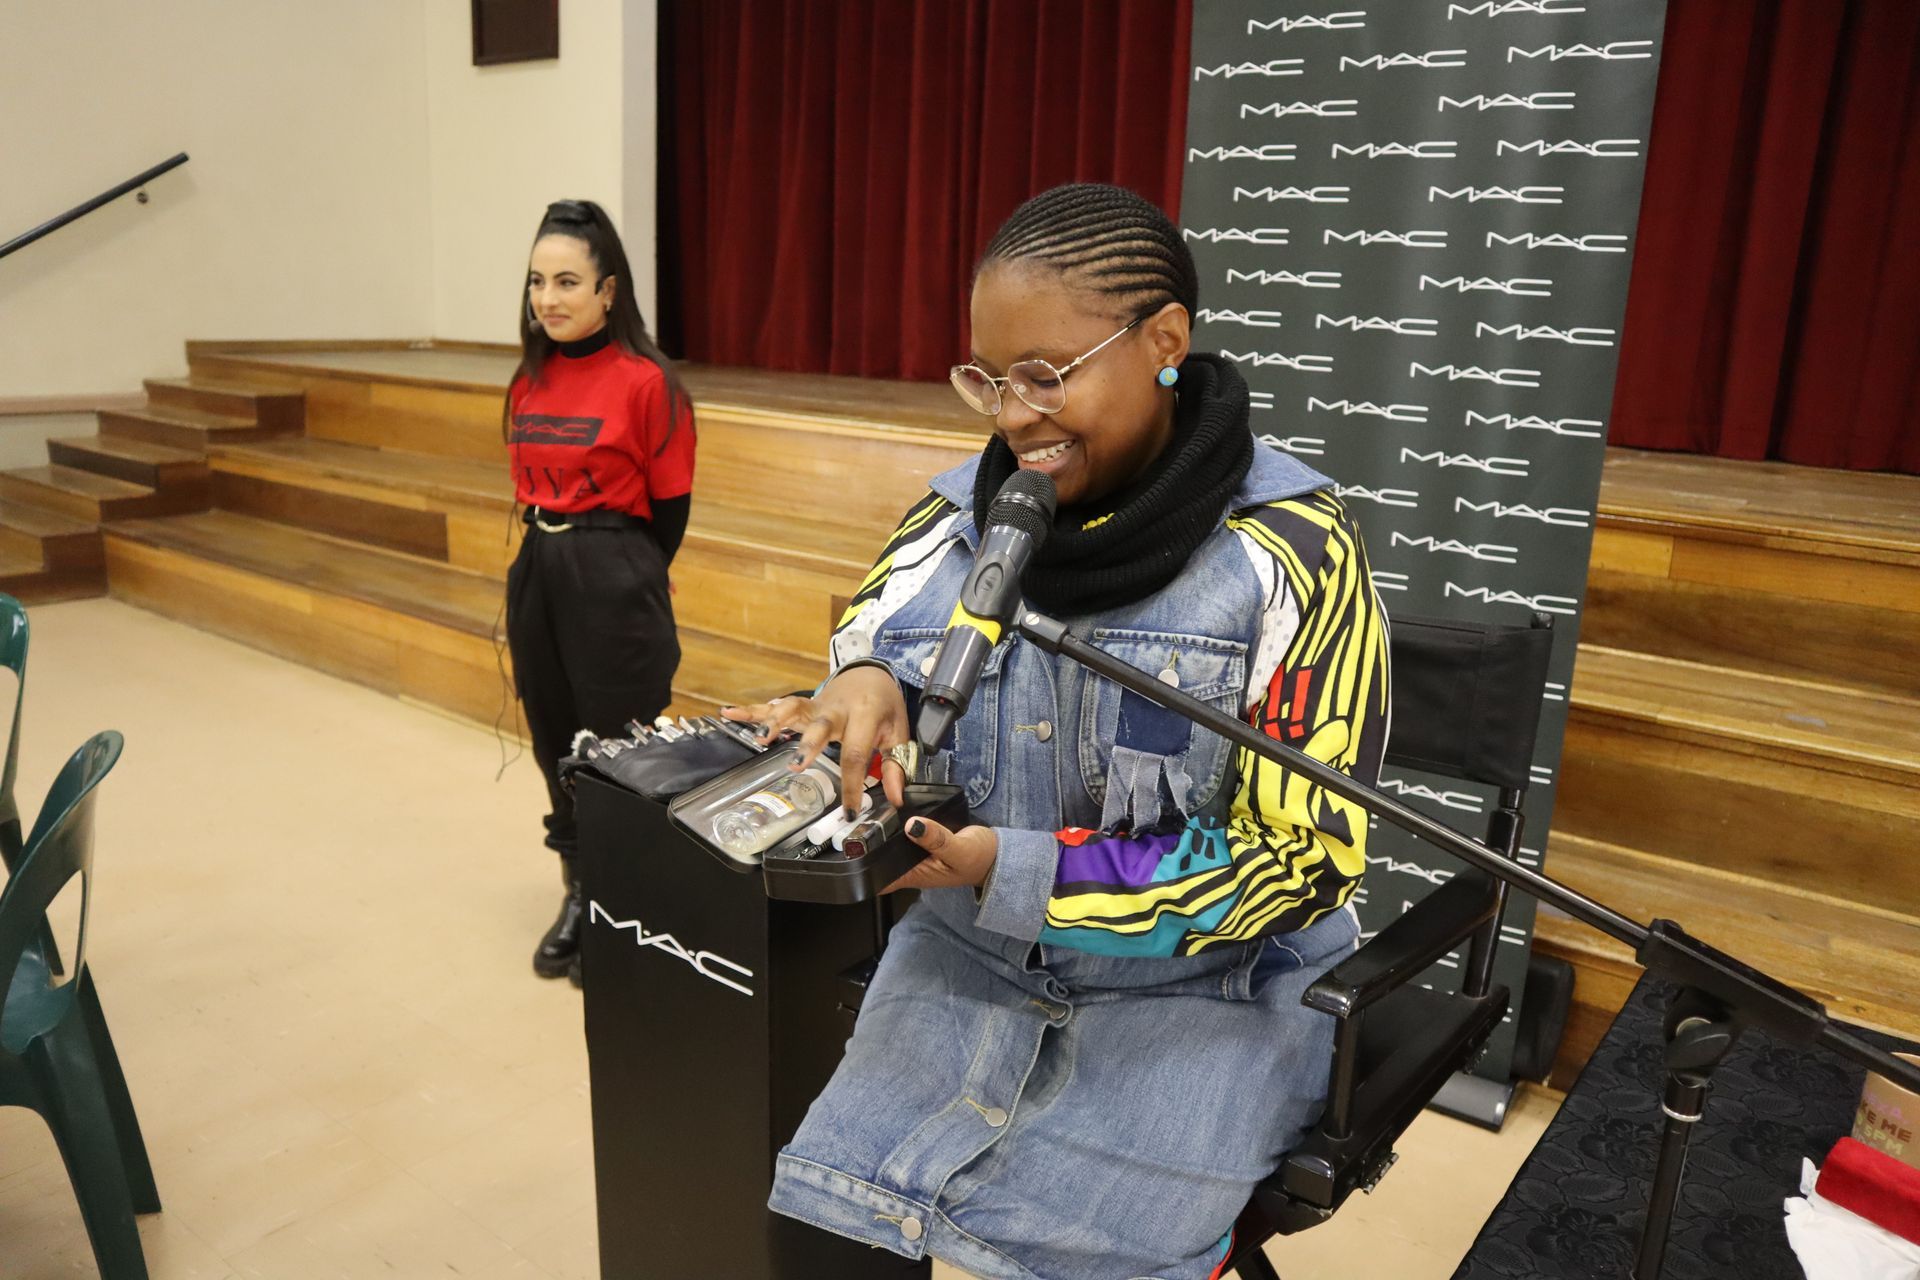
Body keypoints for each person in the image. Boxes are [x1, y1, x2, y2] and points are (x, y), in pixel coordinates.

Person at [724, 183, 1390, 1280]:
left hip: (1205, 995)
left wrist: (1016, 867)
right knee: (833, 1226)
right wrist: (862, 684)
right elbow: (868, 653)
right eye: (987, 379)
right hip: (969, 967)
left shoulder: (1295, 552)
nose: (1011, 415)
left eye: (1044, 374)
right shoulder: (949, 521)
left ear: (1164, 341)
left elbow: (1302, 858)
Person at [505, 199, 695, 985]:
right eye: (537, 281)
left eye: (567, 282)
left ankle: (626, 905)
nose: (548, 298)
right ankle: (580, 894)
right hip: (538, 570)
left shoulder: (648, 383)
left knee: (618, 749)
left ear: (608, 290)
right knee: (555, 741)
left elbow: (671, 509)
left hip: (614, 570)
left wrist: (621, 572)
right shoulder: (529, 377)